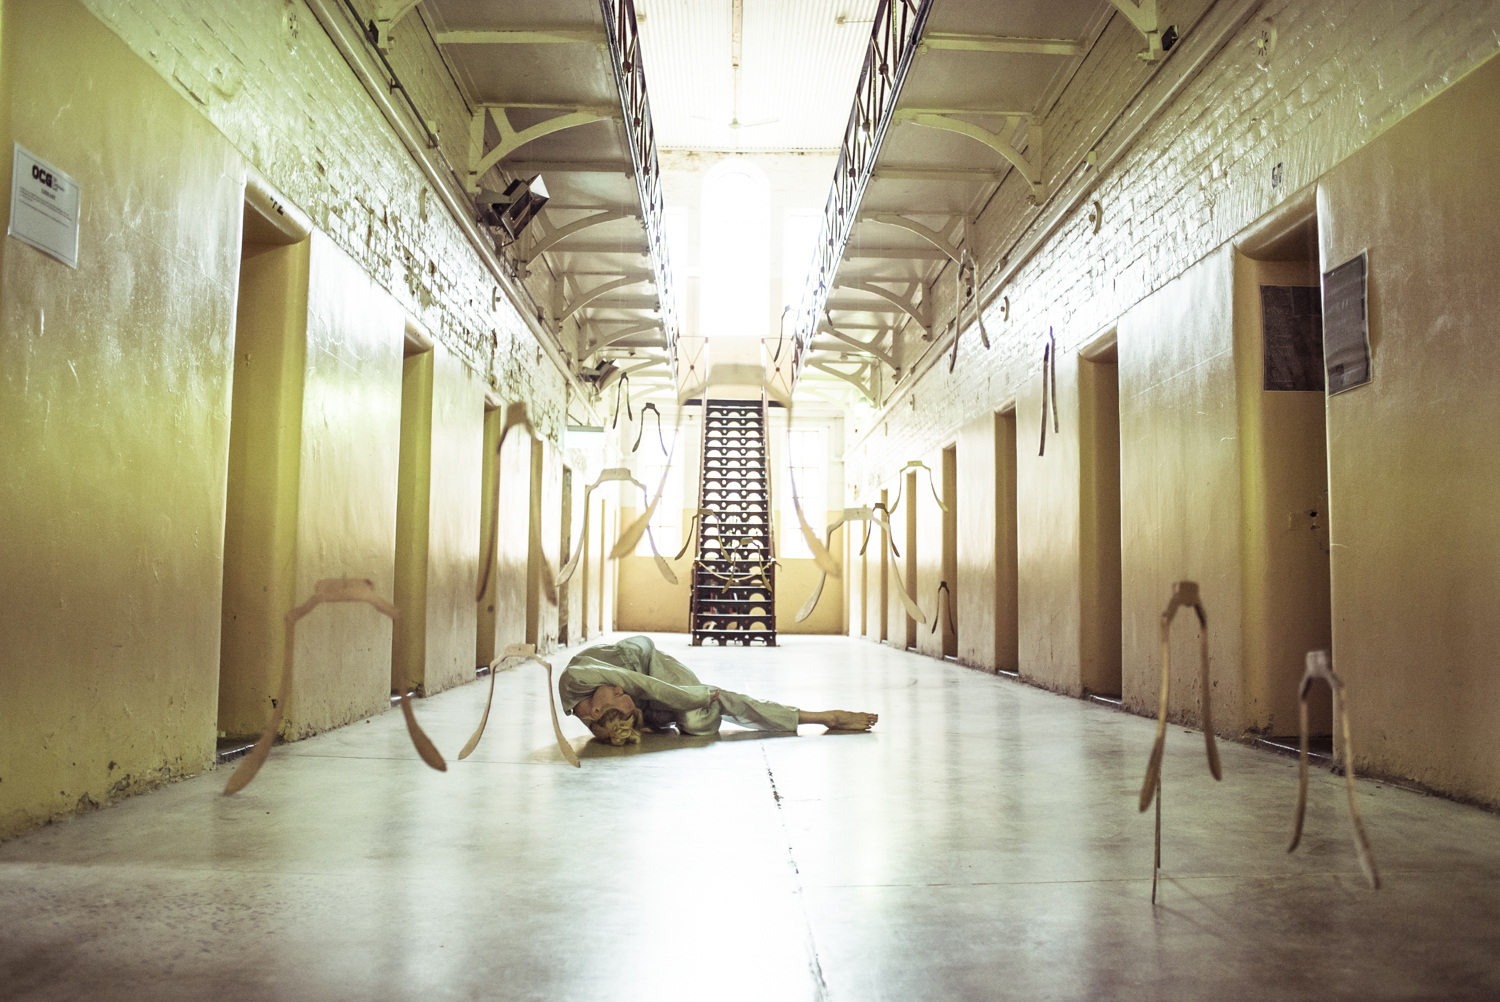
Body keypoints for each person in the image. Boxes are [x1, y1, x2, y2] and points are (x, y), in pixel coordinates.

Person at [559, 635, 877, 746]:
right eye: (620, 695)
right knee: (700, 725)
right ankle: (700, 707)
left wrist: (698, 695)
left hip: (650, 665)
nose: (618, 686)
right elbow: (635, 696)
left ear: (596, 710)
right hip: (651, 698)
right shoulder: (603, 719)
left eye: (617, 692)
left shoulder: (575, 678)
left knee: (706, 704)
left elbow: (643, 683)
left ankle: (819, 717)